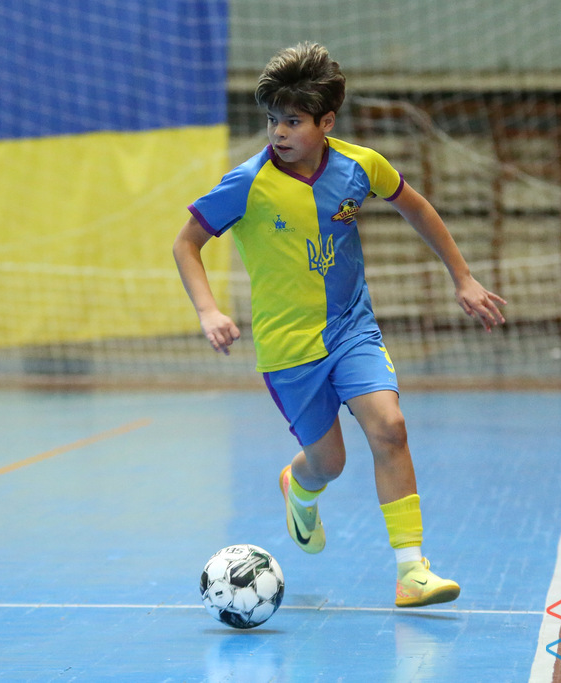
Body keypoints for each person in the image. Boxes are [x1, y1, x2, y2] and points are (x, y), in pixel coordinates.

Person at [173, 42, 506, 607]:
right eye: (273, 120)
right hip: (288, 347)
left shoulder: (361, 166)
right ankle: (298, 486)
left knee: (390, 427)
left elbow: (416, 206)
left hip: (352, 328)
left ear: (326, 122)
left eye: (293, 121)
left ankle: (412, 571)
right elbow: (187, 244)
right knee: (329, 463)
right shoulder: (246, 183)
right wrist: (208, 309)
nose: (279, 132)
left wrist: (463, 276)